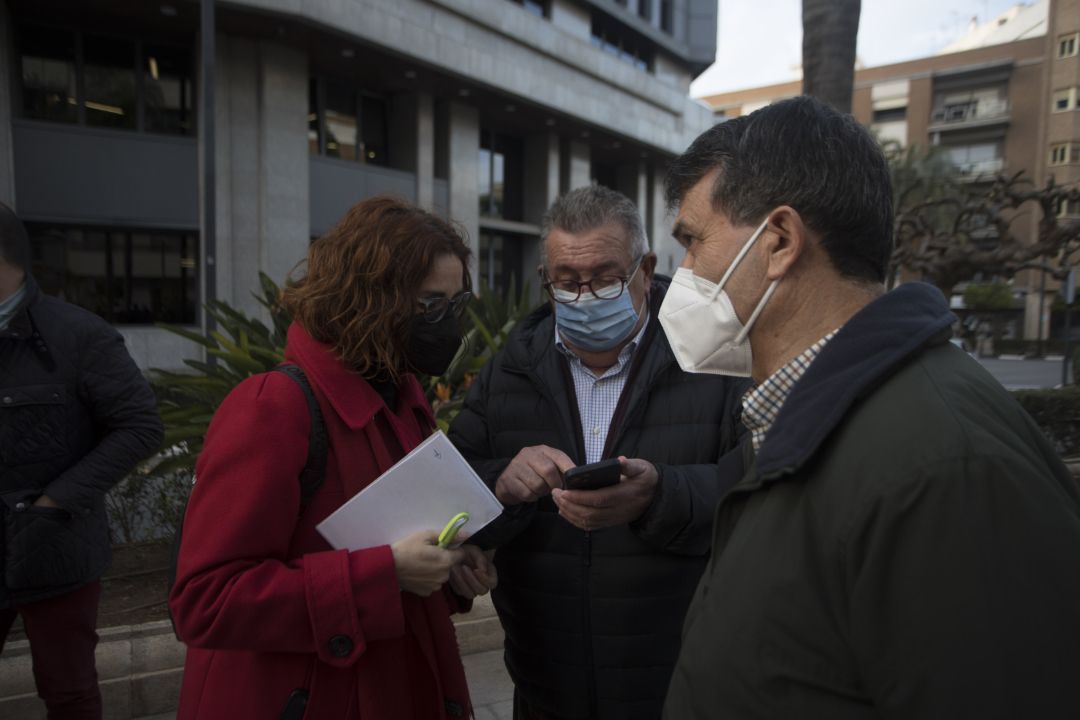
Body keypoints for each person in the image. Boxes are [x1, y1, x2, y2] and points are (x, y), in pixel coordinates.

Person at [659, 96, 1080, 718]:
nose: (683, 273)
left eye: (692, 242)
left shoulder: (946, 470)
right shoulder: (811, 421)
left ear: (778, 241)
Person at [169, 196, 497, 719]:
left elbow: (404, 551)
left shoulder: (403, 400)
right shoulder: (273, 408)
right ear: (370, 299)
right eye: (430, 305)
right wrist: (385, 573)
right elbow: (206, 602)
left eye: (456, 305)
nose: (448, 324)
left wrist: (448, 568)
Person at [449, 185, 748, 720]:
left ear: (646, 266)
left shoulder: (717, 357)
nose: (585, 296)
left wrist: (662, 494)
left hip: (680, 682)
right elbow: (451, 492)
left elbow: (761, 487)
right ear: (547, 279)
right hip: (547, 682)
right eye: (566, 282)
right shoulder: (510, 370)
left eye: (606, 278)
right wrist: (502, 486)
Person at [0, 201, 164, 718]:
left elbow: (140, 427)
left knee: (69, 692)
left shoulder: (79, 334)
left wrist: (54, 503)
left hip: (58, 548)